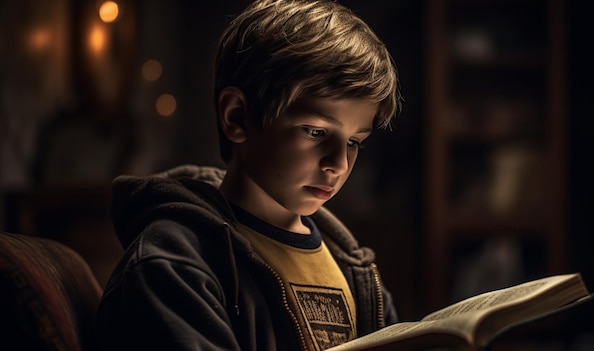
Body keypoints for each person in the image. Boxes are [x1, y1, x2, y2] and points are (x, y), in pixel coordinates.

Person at [96, 0, 402, 350]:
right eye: (316, 132)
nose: (339, 163)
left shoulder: (355, 270)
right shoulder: (174, 263)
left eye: (353, 142)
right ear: (237, 116)